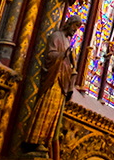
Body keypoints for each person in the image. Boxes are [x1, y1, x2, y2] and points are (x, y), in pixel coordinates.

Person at [22, 15, 83, 150]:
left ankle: (44, 141)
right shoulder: (56, 36)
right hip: (53, 78)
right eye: (75, 26)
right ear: (69, 24)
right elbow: (50, 55)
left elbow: (68, 62)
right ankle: (35, 139)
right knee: (46, 107)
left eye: (77, 28)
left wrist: (72, 68)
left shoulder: (67, 41)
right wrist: (63, 55)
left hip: (63, 80)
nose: (75, 30)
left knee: (54, 113)